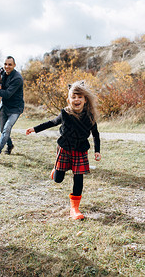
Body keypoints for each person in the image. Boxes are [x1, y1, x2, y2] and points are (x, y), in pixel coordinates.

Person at [26, 80, 101, 220]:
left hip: (80, 150)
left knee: (78, 179)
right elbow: (52, 123)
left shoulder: (90, 117)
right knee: (58, 179)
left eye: (80, 97)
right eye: (73, 97)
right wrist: (34, 129)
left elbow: (96, 134)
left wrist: (97, 150)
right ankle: (56, 169)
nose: (76, 99)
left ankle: (75, 208)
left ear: (85, 100)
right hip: (65, 148)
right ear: (68, 100)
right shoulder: (65, 114)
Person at [0, 56, 24, 160]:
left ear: (14, 65)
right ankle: (10, 145)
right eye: (5, 64)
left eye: (9, 64)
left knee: (7, 128)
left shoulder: (17, 78)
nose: (7, 66)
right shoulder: (2, 72)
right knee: (2, 130)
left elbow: (8, 94)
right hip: (4, 107)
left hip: (15, 108)